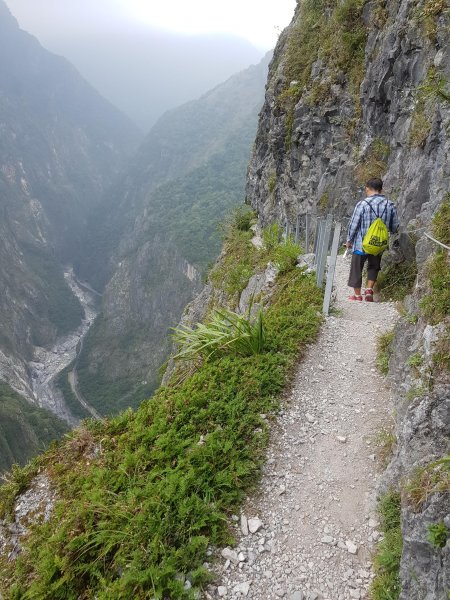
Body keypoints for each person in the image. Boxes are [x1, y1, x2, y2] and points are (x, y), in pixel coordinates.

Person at [345, 177, 399, 302]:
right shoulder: (389, 204)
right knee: (374, 266)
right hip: (378, 243)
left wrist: (349, 240)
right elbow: (394, 226)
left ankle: (357, 295)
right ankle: (369, 289)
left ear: (367, 189)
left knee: (356, 267)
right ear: (381, 189)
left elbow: (354, 224)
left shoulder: (362, 204)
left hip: (361, 244)